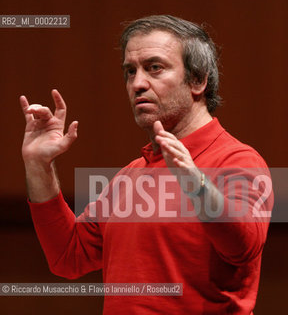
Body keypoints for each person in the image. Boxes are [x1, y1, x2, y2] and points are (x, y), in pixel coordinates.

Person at [20, 15, 273, 314]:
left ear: (198, 79)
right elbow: (68, 257)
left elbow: (242, 247)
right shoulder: (129, 176)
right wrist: (38, 165)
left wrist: (197, 185)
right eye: (130, 71)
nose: (137, 83)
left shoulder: (239, 161)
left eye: (154, 68)